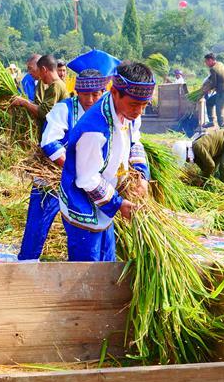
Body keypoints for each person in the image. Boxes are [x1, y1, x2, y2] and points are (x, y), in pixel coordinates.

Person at [17, 50, 119, 261]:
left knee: (98, 225)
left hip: (91, 182)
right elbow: (49, 141)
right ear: (77, 91)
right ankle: (27, 262)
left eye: (96, 95)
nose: (90, 100)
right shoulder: (65, 109)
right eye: (85, 95)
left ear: (103, 92)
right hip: (55, 176)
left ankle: (103, 268)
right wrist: (71, 166)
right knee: (38, 220)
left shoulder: (107, 113)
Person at [58, 61, 154, 261]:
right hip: (82, 205)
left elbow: (135, 141)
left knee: (107, 260)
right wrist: (118, 204)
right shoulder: (94, 129)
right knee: (87, 270)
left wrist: (142, 176)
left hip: (105, 201)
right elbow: (87, 179)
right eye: (135, 105)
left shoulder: (129, 112)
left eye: (144, 105)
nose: (139, 111)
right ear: (115, 92)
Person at [11, 54, 69, 131]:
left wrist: (23, 102)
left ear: (44, 69)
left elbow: (43, 112)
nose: (39, 75)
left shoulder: (56, 86)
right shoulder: (55, 85)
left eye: (39, 71)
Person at [201, 52, 224, 129]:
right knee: (209, 102)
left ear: (210, 60)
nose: (206, 63)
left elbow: (214, 83)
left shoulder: (213, 69)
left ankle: (222, 127)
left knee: (219, 110)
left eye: (206, 61)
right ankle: (211, 122)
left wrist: (206, 89)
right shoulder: (220, 64)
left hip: (223, 92)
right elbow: (214, 78)